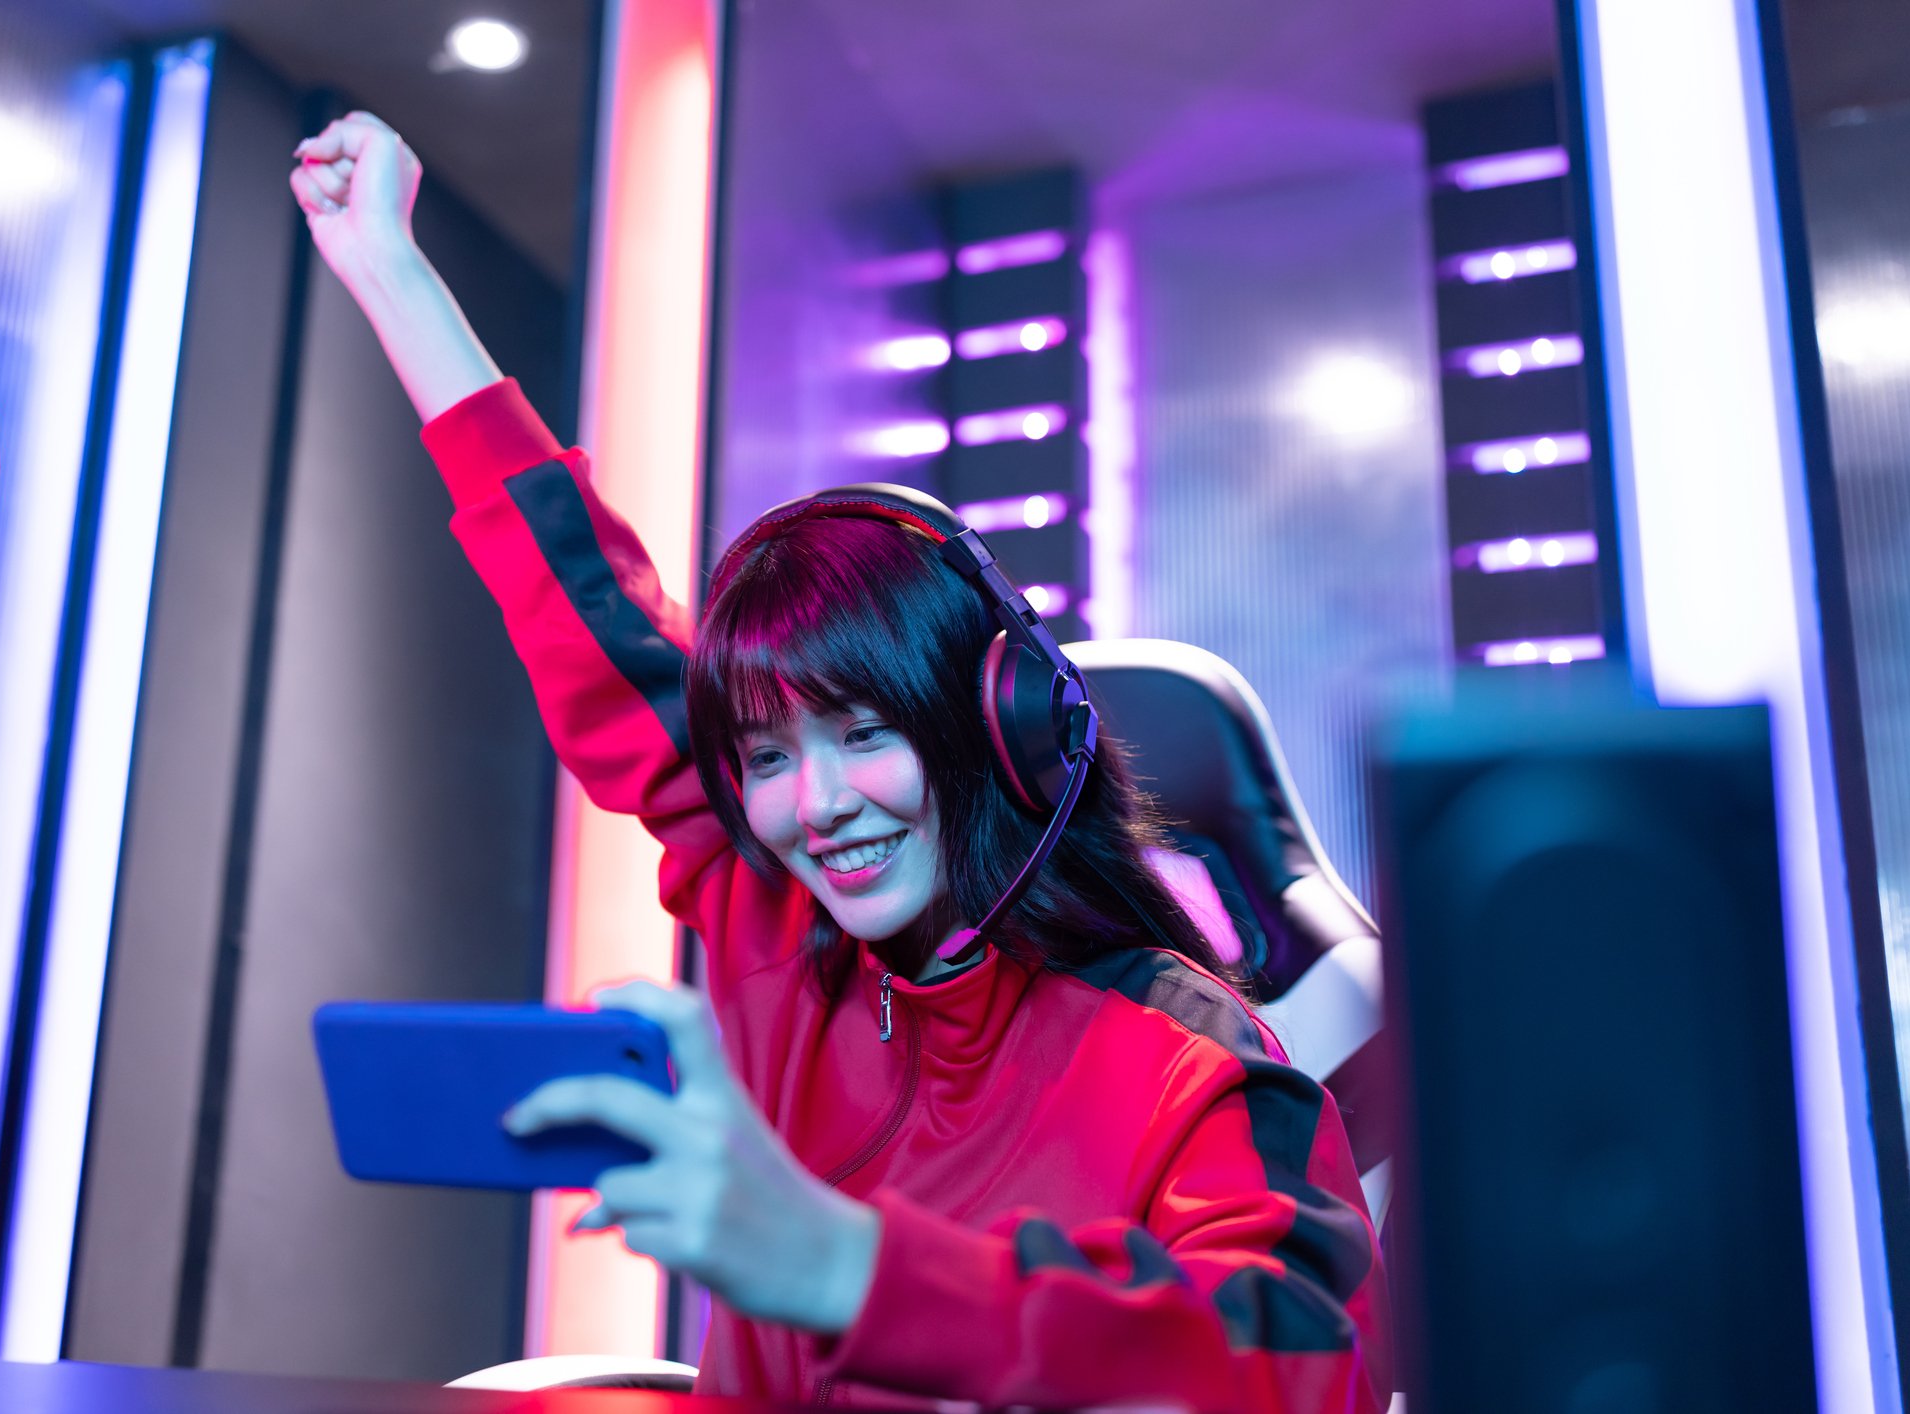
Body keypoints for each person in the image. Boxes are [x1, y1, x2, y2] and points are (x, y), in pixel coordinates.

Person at [290, 111, 1391, 1412]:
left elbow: (1296, 1358)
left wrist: (844, 1267)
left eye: (864, 733)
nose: (813, 808)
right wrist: (387, 266)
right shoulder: (776, 912)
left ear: (996, 723)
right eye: (764, 755)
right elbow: (578, 602)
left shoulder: (1192, 1060)